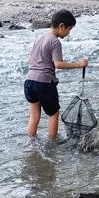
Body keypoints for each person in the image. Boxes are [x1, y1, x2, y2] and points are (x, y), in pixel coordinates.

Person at [24, 10, 88, 138]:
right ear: (61, 26)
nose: (69, 33)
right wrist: (79, 65)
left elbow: (29, 59)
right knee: (53, 114)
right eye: (69, 29)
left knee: (34, 116)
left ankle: (31, 144)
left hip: (29, 82)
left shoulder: (39, 38)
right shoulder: (55, 41)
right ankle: (52, 146)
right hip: (44, 84)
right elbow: (58, 64)